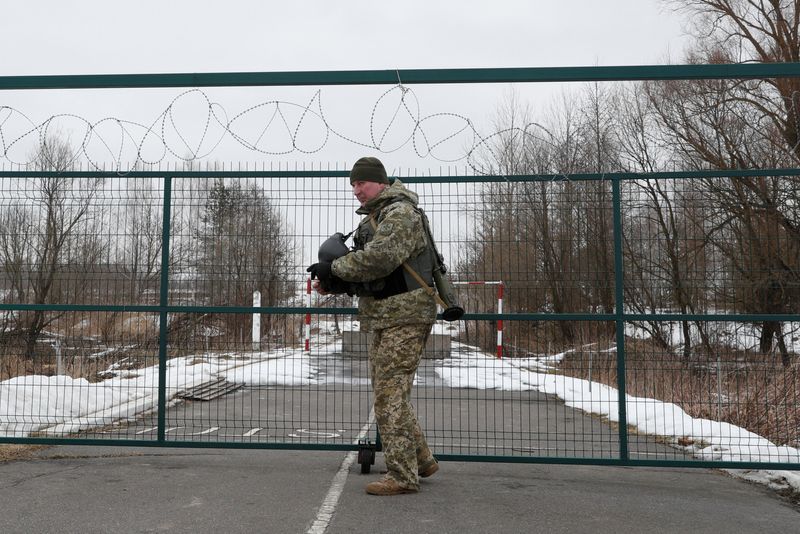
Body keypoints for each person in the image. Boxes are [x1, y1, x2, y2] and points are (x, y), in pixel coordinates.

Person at [307, 156, 440, 496]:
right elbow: (374, 276)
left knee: (389, 394)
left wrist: (334, 269)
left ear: (380, 182)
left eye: (361, 183)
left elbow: (380, 259)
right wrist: (334, 282)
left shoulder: (401, 215)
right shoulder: (374, 219)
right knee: (389, 391)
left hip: (406, 315)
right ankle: (421, 458)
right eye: (352, 185)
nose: (356, 190)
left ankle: (402, 476)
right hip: (384, 315)